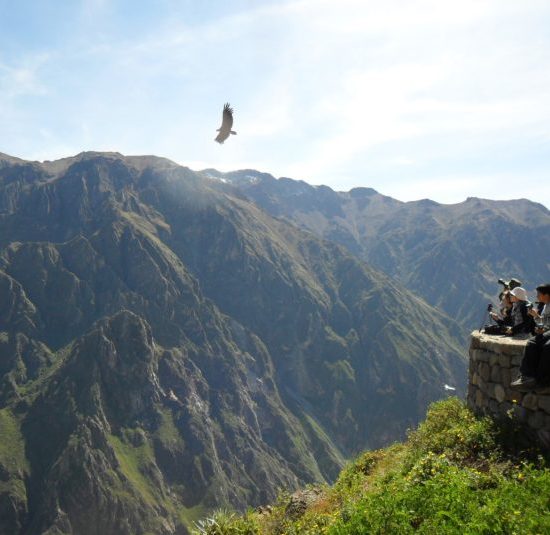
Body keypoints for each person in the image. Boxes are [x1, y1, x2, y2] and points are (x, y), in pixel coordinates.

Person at [510, 283, 550, 389]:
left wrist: (544, 329)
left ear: (546, 295)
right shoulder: (546, 305)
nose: (537, 296)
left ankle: (542, 381)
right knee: (532, 343)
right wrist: (537, 318)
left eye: (539, 294)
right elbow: (546, 322)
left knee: (547, 347)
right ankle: (527, 376)